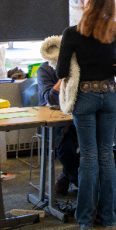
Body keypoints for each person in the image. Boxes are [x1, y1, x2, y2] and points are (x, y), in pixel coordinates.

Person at [56, 0, 116, 230]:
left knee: (88, 157)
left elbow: (62, 71)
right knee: (106, 155)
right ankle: (109, 217)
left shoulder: (72, 33)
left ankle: (84, 218)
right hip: (110, 96)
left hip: (85, 97)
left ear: (89, 2)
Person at [37, 61, 79, 195]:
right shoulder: (45, 70)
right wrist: (64, 77)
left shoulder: (80, 65)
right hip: (54, 120)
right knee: (66, 146)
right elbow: (51, 99)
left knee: (97, 143)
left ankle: (67, 174)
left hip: (78, 115)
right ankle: (78, 179)